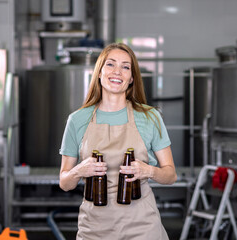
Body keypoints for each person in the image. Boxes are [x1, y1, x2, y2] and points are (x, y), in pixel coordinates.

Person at [59, 42, 177, 240]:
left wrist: (148, 171)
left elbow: (171, 175)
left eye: (125, 67)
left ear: (131, 78)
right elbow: (64, 183)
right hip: (94, 229)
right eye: (110, 64)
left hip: (142, 228)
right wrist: (79, 171)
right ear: (99, 72)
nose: (117, 72)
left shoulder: (150, 117)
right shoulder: (77, 120)